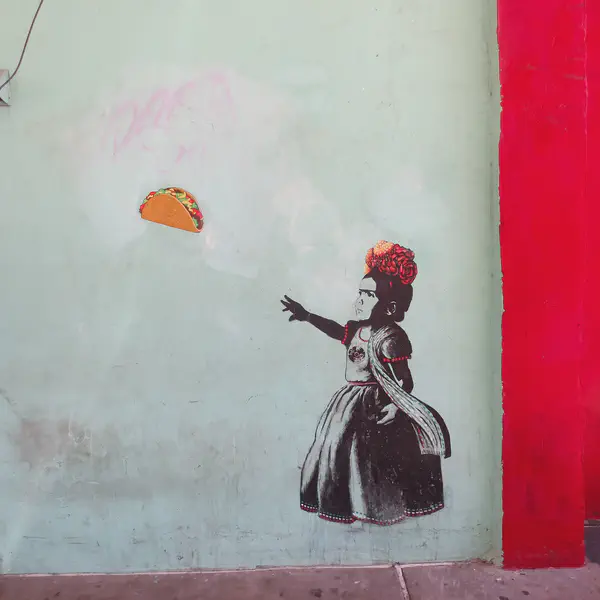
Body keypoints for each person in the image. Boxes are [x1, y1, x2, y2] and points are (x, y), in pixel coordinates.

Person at [281, 241, 451, 525]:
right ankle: (342, 504)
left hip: (376, 405)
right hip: (347, 403)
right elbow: (336, 331)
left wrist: (395, 408)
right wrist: (307, 316)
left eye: (369, 295)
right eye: (360, 293)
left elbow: (404, 379)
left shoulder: (390, 338)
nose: (360, 300)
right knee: (335, 448)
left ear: (390, 306)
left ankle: (375, 507)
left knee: (369, 457)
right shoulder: (357, 330)